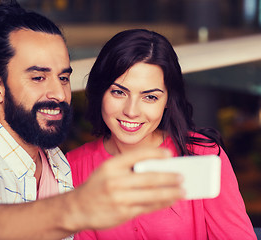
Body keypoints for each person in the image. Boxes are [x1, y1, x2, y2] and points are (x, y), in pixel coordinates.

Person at [0, 3, 185, 240]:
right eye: (38, 77)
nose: (58, 93)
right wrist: (75, 207)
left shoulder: (58, 164)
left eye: (63, 78)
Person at [66, 29, 257, 239]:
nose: (131, 111)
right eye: (119, 92)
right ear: (100, 91)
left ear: (167, 101)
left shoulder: (202, 156)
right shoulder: (73, 167)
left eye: (150, 97)